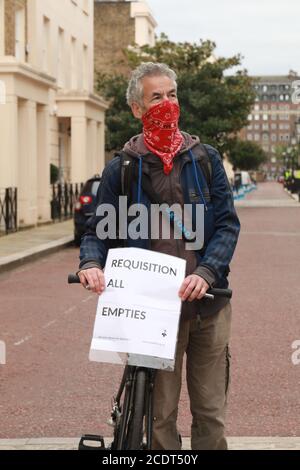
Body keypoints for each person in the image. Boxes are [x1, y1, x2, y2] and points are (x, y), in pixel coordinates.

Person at [78, 62, 240, 450]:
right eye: (156, 98)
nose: (167, 104)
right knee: (160, 417)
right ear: (137, 108)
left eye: (172, 95)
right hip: (153, 313)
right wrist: (90, 264)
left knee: (210, 412)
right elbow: (97, 232)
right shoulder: (122, 169)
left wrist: (207, 271)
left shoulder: (205, 160)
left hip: (208, 306)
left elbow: (226, 226)